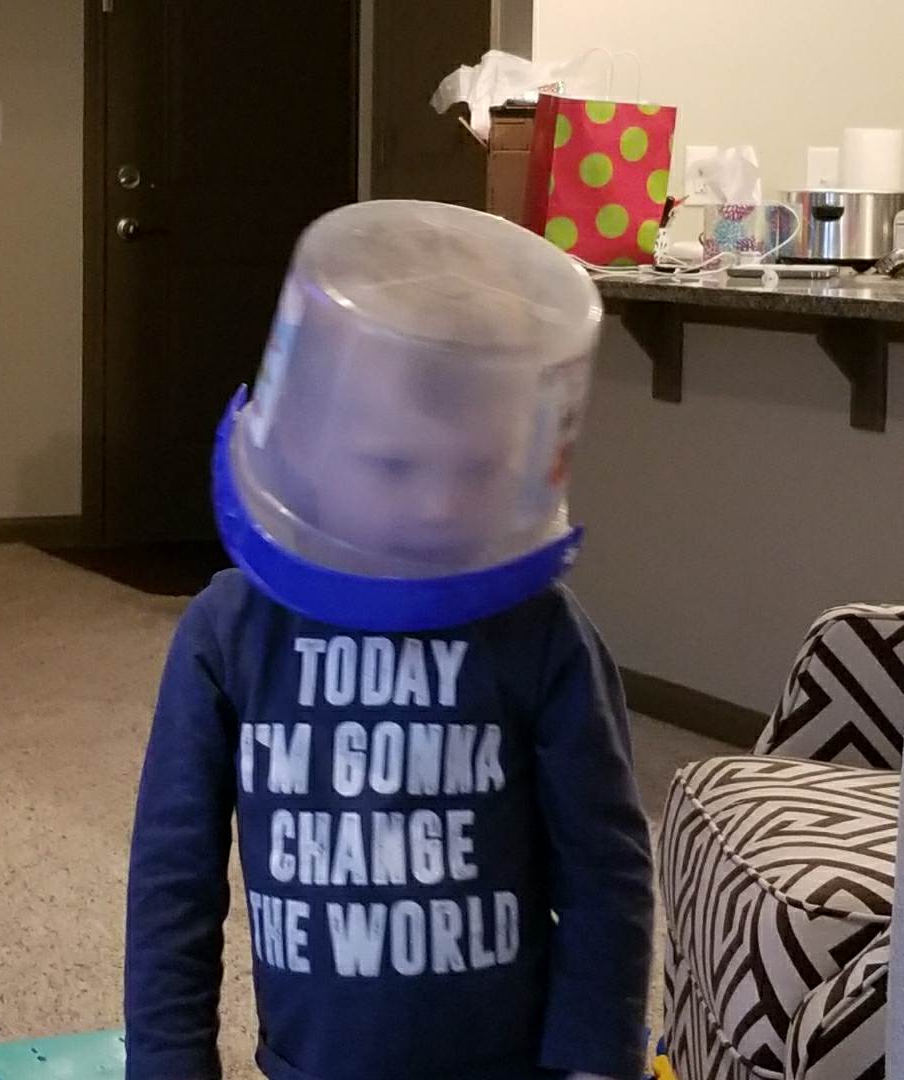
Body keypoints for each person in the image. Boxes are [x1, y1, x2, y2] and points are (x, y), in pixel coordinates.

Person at [125, 200, 653, 1080]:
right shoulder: (228, 633)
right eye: (393, 464)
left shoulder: (544, 637)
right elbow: (172, 878)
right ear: (309, 446)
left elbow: (605, 872)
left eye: (476, 468)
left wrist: (595, 1060)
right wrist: (171, 1060)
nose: (439, 504)